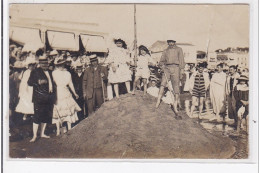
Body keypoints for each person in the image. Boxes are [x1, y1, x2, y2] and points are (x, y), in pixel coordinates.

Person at [155, 39, 185, 119]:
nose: (171, 43)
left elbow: (182, 60)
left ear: (175, 42)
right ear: (168, 42)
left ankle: (176, 105)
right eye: (169, 42)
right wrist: (162, 65)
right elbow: (161, 61)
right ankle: (158, 101)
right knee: (163, 84)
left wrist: (181, 70)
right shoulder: (165, 50)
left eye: (172, 42)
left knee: (176, 87)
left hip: (176, 68)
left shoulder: (179, 49)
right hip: (167, 68)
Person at [27, 56, 55, 142]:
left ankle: (42, 133)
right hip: (39, 97)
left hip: (48, 97)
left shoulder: (50, 71)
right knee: (37, 116)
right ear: (39, 63)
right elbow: (29, 82)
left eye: (46, 63)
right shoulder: (35, 71)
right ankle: (35, 135)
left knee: (46, 116)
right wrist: (38, 82)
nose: (45, 65)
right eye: (43, 63)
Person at [52, 56, 81, 136]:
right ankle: (58, 130)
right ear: (57, 65)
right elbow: (52, 84)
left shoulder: (67, 73)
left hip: (66, 92)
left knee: (68, 110)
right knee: (58, 111)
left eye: (62, 64)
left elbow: (70, 84)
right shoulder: (54, 73)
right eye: (59, 65)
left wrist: (75, 93)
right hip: (57, 93)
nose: (61, 66)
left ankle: (69, 127)